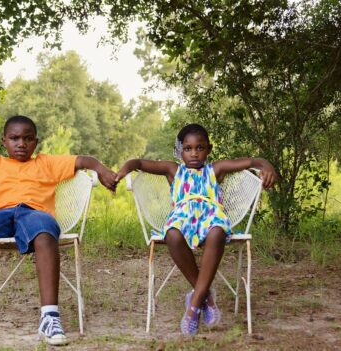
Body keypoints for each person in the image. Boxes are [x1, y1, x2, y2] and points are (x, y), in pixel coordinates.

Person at [0, 115, 117, 345]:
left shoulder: (46, 162)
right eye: (14, 138)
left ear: (36, 142)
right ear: (4, 141)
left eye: (28, 139)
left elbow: (84, 160)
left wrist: (101, 169)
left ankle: (49, 317)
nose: (21, 144)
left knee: (45, 231)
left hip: (34, 213)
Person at [115, 123, 277, 336]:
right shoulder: (173, 170)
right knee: (171, 234)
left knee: (218, 231)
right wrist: (123, 170)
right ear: (180, 151)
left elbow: (252, 161)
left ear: (208, 149)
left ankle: (193, 307)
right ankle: (206, 297)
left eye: (199, 148)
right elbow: (138, 162)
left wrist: (267, 166)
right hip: (182, 217)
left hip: (211, 216)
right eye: (188, 148)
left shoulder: (215, 169)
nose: (194, 153)